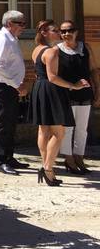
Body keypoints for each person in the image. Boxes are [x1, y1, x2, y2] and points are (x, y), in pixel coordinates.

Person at [29, 20, 87, 187]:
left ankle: (47, 167)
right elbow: (53, 77)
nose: (59, 33)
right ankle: (48, 168)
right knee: (59, 133)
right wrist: (73, 86)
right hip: (51, 90)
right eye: (55, 30)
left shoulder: (36, 50)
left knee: (44, 130)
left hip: (39, 88)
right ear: (45, 33)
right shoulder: (52, 51)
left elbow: (39, 73)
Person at [0, 10, 30, 176]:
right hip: (1, 86)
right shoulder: (2, 39)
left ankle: (9, 157)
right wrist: (17, 85)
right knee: (3, 124)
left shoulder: (11, 39)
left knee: (11, 123)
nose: (24, 27)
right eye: (21, 23)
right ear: (10, 23)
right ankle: (1, 161)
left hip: (8, 86)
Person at [56, 20, 98, 175]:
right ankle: (68, 159)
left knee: (82, 129)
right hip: (66, 93)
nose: (67, 34)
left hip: (85, 92)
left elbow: (93, 69)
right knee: (67, 128)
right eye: (63, 31)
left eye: (70, 30)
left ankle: (79, 157)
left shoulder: (85, 48)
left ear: (76, 32)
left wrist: (97, 88)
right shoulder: (57, 50)